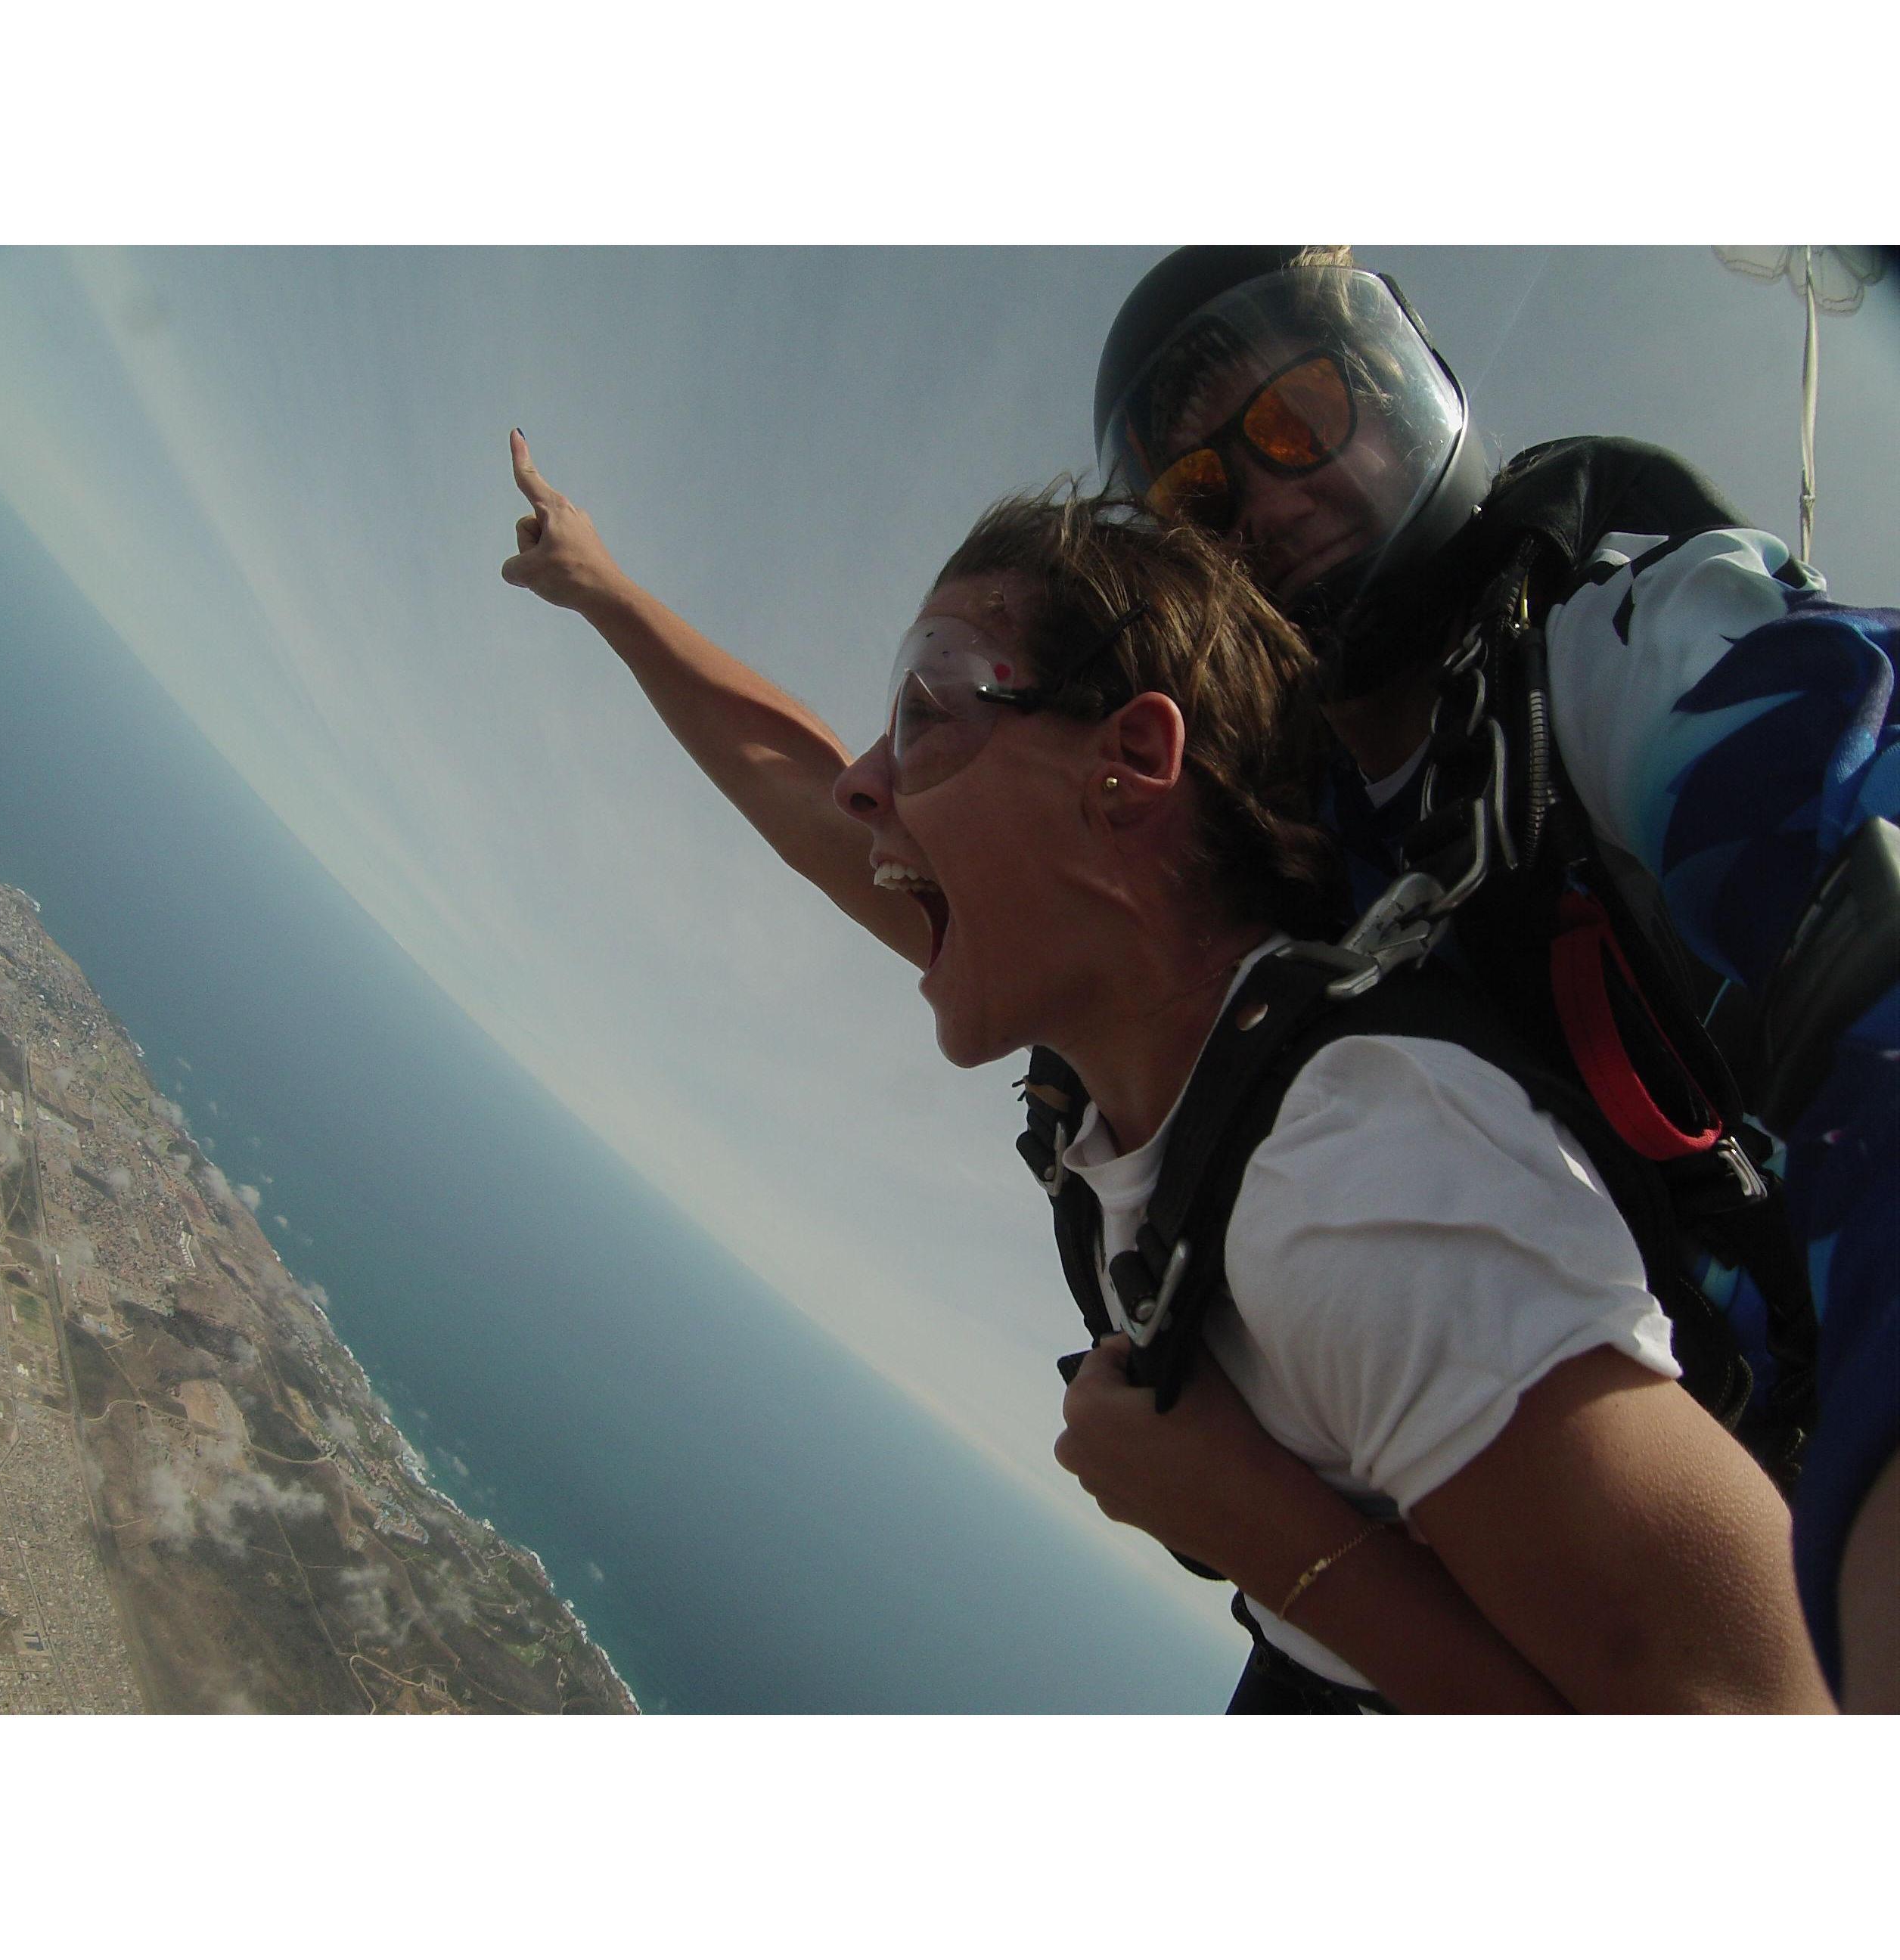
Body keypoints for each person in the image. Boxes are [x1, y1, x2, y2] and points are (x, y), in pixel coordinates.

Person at [504, 453, 1831, 1710]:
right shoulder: (1151, 1067)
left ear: (1130, 765)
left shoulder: (1354, 1186)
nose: (865, 784)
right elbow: (794, 790)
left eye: (926, 713)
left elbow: (1760, 1716)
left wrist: (1268, 1536)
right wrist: (605, 591)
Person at [1088, 247, 1898, 1710]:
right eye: (1204, 499)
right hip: (1461, 1557)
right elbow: (945, 865)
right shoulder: (1270, 850)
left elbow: (1855, 879)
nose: (1269, 502)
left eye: (1300, 416)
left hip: (1761, 1551)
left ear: (1409, 395)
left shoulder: (1619, 655)